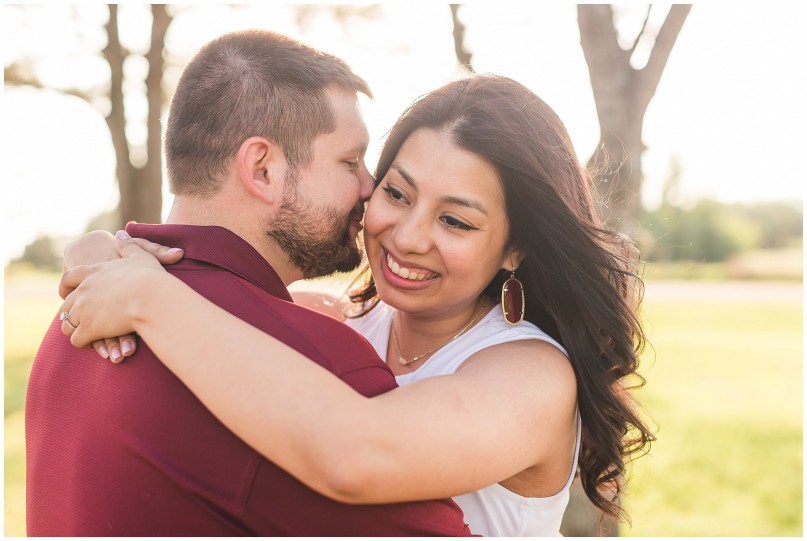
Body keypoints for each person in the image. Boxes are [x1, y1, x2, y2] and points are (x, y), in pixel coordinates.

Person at [60, 76, 654, 536]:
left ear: (516, 248)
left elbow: (357, 455)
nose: (407, 235)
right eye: (396, 193)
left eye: (455, 220)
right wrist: (101, 252)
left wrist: (146, 295)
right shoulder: (331, 318)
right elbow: (215, 300)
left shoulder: (530, 375)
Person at [25, 30, 475, 537]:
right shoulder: (310, 363)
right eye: (349, 161)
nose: (369, 186)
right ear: (262, 169)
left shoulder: (78, 310)